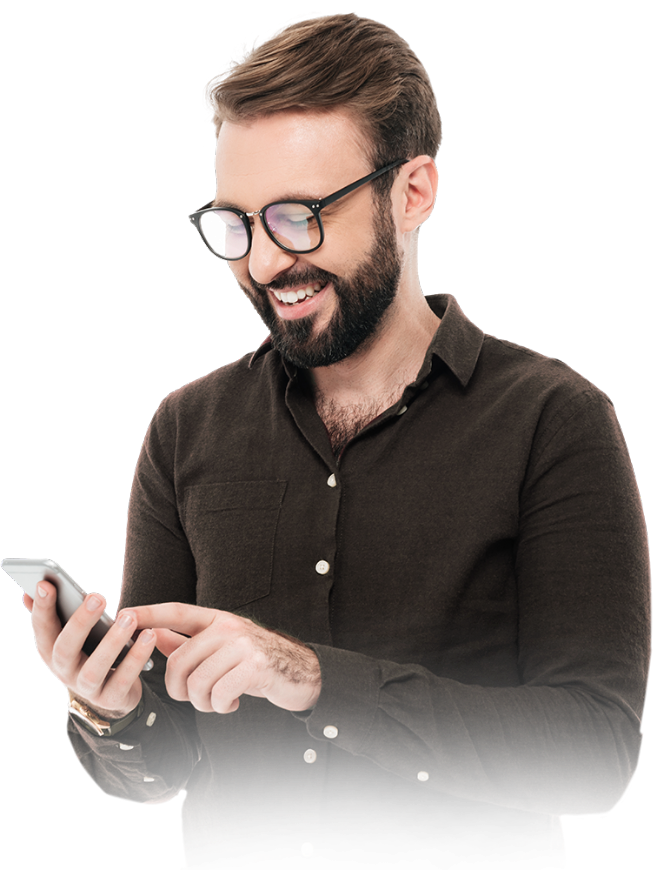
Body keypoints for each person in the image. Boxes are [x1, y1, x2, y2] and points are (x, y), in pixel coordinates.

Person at [25, 12, 651, 869]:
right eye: (236, 224)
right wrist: (112, 707)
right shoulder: (185, 428)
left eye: (297, 216)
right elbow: (164, 765)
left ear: (415, 191)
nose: (264, 263)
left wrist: (312, 677)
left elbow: (593, 758)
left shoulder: (552, 419)